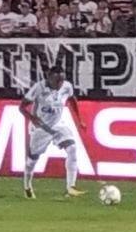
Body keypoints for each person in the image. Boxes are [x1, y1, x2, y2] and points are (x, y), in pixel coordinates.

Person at [19, 66, 87, 199]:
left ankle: (71, 187)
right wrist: (32, 118)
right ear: (49, 78)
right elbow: (21, 107)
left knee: (72, 148)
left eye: (62, 80)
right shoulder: (39, 88)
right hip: (40, 128)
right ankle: (27, 186)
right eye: (57, 80)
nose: (60, 83)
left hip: (57, 125)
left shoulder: (67, 87)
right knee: (32, 160)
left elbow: (72, 99)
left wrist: (80, 120)